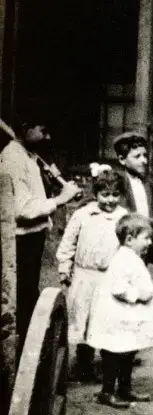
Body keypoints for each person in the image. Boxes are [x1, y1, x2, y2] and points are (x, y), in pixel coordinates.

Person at [0, 120, 80, 353]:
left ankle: (28, 354)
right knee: (22, 301)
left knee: (30, 297)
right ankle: (21, 358)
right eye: (43, 131)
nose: (48, 138)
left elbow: (35, 195)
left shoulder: (30, 156)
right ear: (26, 128)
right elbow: (22, 210)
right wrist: (61, 199)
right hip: (20, 240)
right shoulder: (14, 158)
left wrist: (56, 185)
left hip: (33, 238)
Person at [55, 168, 128, 382]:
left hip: (109, 277)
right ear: (96, 194)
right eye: (105, 195)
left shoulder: (123, 217)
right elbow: (68, 243)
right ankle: (83, 366)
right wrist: (64, 268)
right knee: (82, 319)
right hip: (84, 275)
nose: (110, 200)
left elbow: (128, 248)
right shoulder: (83, 214)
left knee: (105, 320)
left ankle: (107, 370)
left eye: (115, 195)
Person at [86, 213, 153, 408]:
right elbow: (118, 288)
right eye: (146, 238)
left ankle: (125, 389)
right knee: (114, 354)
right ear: (129, 240)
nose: (150, 242)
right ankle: (107, 391)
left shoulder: (132, 257)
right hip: (117, 318)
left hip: (126, 317)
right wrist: (139, 294)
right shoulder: (123, 259)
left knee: (128, 352)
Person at [112, 131, 153, 271]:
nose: (144, 161)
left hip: (142, 244)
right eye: (137, 156)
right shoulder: (117, 183)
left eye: (145, 155)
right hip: (123, 245)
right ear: (122, 159)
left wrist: (151, 220)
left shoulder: (148, 183)